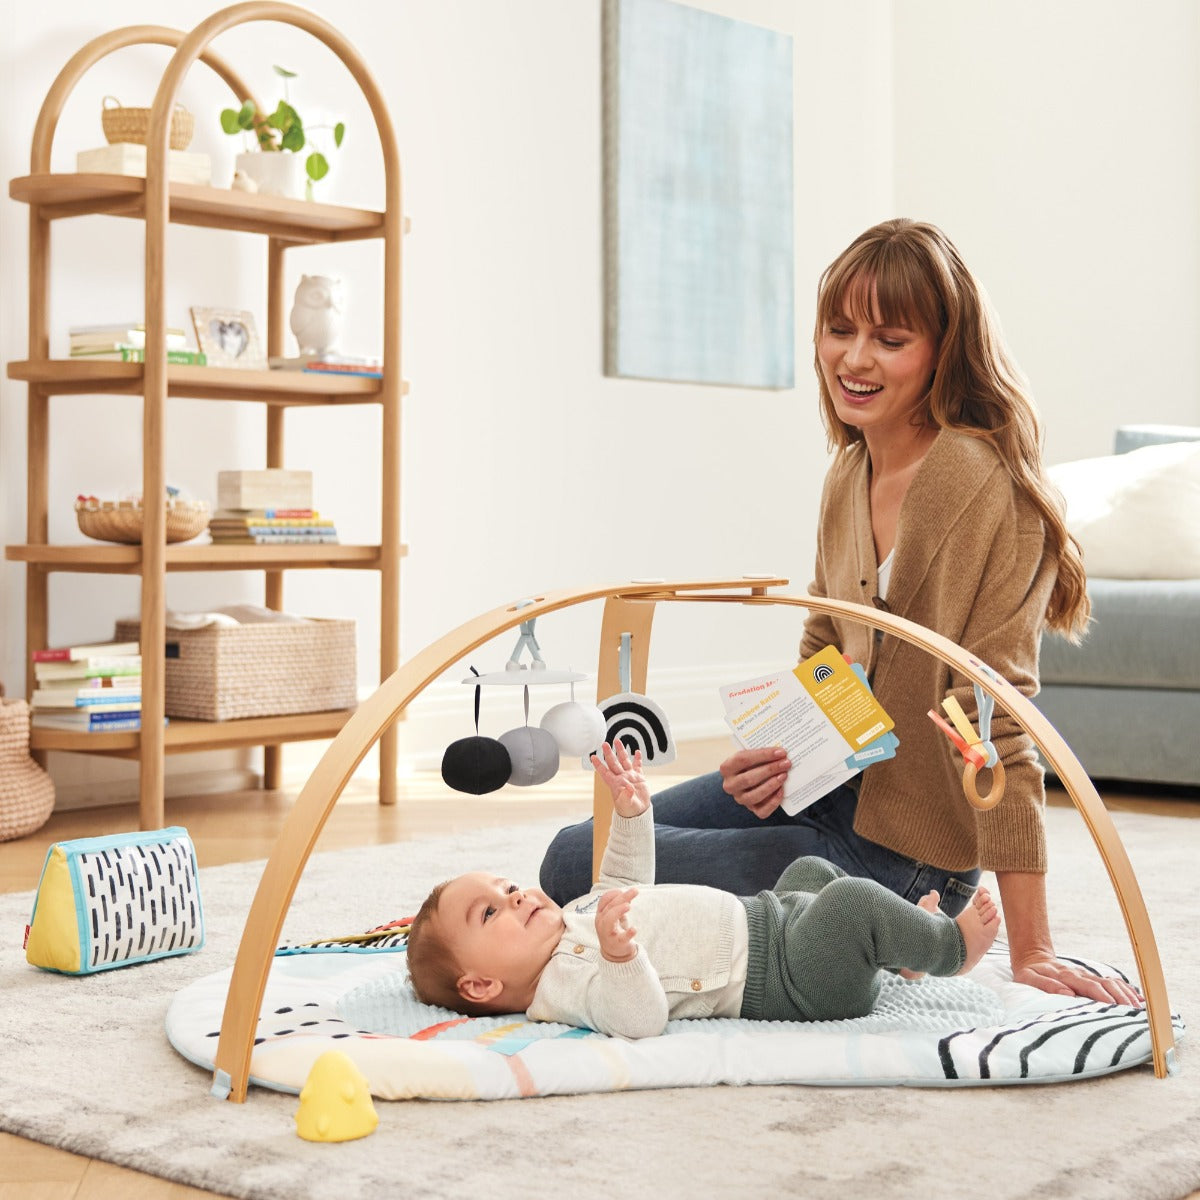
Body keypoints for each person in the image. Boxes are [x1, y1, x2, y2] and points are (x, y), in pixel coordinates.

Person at [539, 218, 1141, 1008]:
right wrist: (785, 753)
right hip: (825, 793)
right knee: (570, 858)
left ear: (942, 349)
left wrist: (1032, 948)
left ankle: (900, 933)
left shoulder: (992, 491)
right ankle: (837, 923)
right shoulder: (847, 472)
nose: (855, 359)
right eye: (839, 330)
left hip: (911, 859)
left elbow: (996, 726)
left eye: (890, 339)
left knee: (648, 893)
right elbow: (828, 647)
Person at [407, 743, 1001, 1037]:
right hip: (787, 978)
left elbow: (627, 883)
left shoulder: (575, 919)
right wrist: (621, 957)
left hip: (770, 921)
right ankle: (951, 949)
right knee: (853, 903)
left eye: (508, 887)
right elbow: (638, 1021)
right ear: (481, 985)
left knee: (813, 880)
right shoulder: (560, 988)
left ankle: (900, 959)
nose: (516, 897)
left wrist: (634, 815)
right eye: (490, 912)